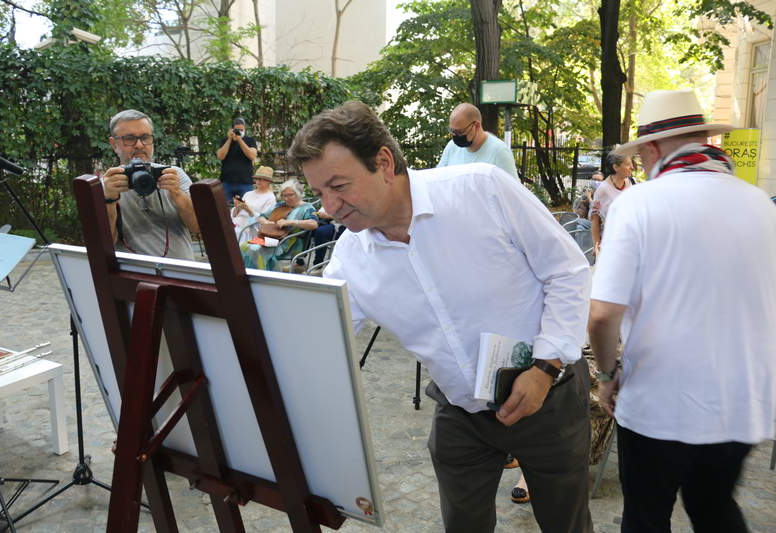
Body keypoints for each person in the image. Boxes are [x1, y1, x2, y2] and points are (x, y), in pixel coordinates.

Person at [289, 101, 593, 532]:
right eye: (319, 193)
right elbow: (318, 340)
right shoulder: (351, 259)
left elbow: (567, 271)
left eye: (338, 186)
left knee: (567, 523)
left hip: (549, 395)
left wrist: (544, 368)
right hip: (460, 411)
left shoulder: (482, 189)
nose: (330, 206)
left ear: (384, 162)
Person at [587, 89, 776, 533]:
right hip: (739, 403)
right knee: (714, 509)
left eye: (640, 155)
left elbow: (602, 314)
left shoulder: (638, 204)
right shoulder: (759, 205)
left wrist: (607, 376)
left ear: (652, 149)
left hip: (659, 402)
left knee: (646, 517)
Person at [101, 109, 198, 260]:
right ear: (114, 144)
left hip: (181, 270)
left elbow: (197, 227)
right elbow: (105, 243)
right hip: (136, 272)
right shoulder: (108, 185)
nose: (139, 145)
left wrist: (177, 194)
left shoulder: (174, 174)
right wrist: (109, 200)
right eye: (129, 139)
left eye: (145, 137)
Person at [240, 178, 318, 271]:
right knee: (244, 246)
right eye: (284, 195)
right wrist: (267, 222)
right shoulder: (280, 205)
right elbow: (262, 216)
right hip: (270, 238)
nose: (286, 198)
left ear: (299, 193)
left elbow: (314, 224)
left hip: (289, 242)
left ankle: (259, 275)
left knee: (255, 249)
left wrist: (291, 222)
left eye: (291, 195)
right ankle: (245, 273)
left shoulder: (307, 208)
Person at [437, 103, 519, 179]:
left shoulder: (499, 151)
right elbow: (439, 179)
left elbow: (512, 188)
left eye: (460, 132)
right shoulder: (451, 147)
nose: (455, 136)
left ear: (476, 125)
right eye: (452, 131)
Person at [589, 152, 633, 254]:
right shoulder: (603, 190)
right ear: (616, 167)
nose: (632, 167)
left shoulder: (628, 182)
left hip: (629, 239)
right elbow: (595, 220)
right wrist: (597, 246)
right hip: (611, 242)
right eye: (628, 164)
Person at [217, 117, 258, 204]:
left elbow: (252, 156)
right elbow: (220, 156)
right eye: (237, 130)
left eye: (241, 130)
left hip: (245, 182)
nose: (239, 132)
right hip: (227, 182)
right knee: (224, 208)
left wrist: (239, 140)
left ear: (245, 129)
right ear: (232, 129)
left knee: (246, 207)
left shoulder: (250, 140)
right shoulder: (225, 140)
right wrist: (229, 139)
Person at [231, 165, 277, 243]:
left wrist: (248, 210)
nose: (259, 181)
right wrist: (238, 206)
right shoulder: (248, 194)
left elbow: (264, 221)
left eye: (263, 179)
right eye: (257, 178)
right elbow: (234, 215)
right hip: (236, 226)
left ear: (269, 182)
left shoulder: (270, 198)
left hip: (250, 231)